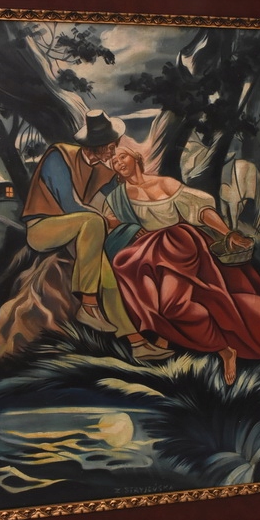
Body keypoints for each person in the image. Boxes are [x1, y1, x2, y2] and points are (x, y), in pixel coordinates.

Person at [104, 147, 260, 384]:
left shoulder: (166, 184)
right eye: (114, 161)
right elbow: (110, 228)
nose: (119, 163)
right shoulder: (116, 199)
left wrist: (227, 233)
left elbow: (200, 211)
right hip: (148, 256)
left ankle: (221, 350)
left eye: (123, 156)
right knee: (168, 307)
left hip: (179, 246)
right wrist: (126, 229)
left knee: (175, 306)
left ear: (136, 158)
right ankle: (217, 347)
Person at [21, 111, 172, 361]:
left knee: (107, 274)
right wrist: (106, 221)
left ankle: (137, 343)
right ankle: (89, 305)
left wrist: (142, 226)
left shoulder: (104, 170)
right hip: (44, 228)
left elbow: (124, 201)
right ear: (96, 146)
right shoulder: (60, 156)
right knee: (93, 221)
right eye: (111, 146)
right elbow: (69, 206)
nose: (114, 151)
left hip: (80, 233)